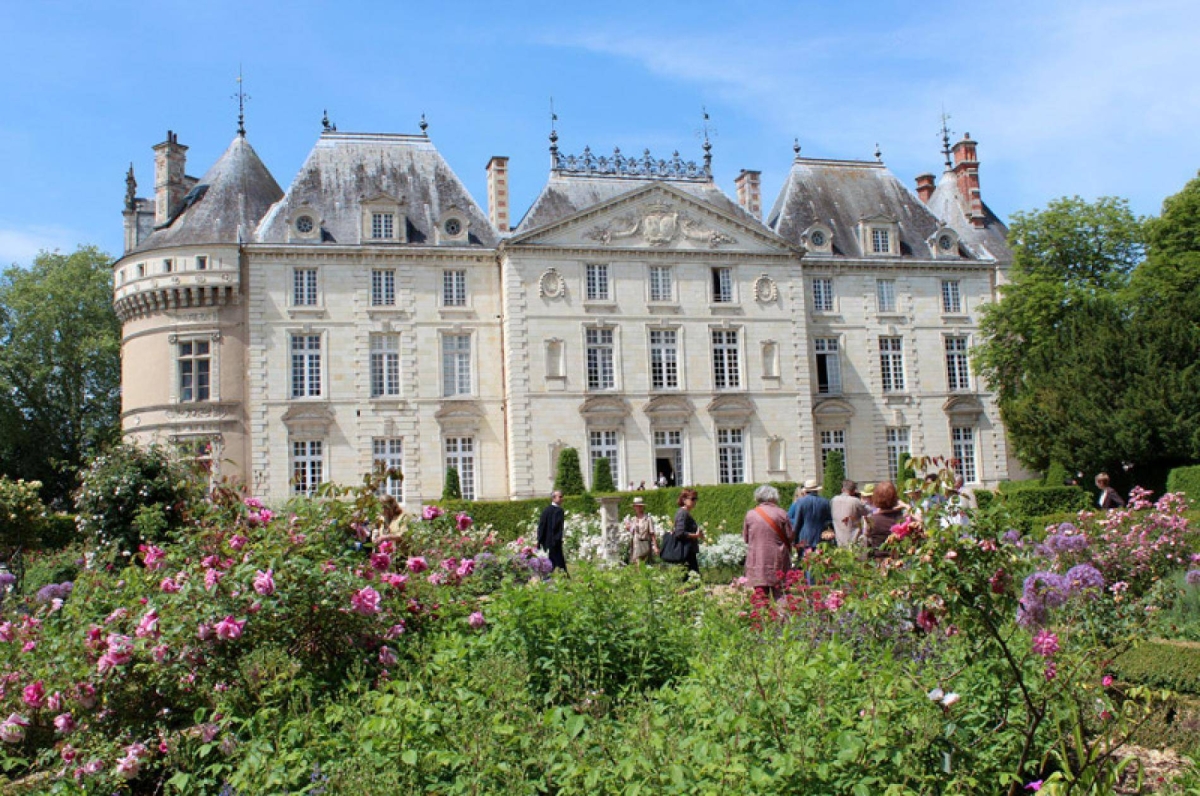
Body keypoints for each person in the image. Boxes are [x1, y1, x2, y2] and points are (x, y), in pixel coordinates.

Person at [743, 485, 794, 600]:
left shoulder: (750, 514)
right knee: (780, 593)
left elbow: (746, 538)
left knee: (760, 594)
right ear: (773, 497)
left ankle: (762, 612)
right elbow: (790, 536)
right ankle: (782, 612)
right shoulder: (781, 513)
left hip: (757, 560)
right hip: (778, 559)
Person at [787, 478, 833, 553]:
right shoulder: (825, 502)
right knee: (820, 558)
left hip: (804, 538)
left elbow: (797, 523)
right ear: (817, 490)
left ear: (805, 491)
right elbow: (829, 521)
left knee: (804, 558)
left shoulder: (801, 502)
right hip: (820, 537)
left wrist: (794, 540)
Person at [865, 481, 906, 556]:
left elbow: (867, 536)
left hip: (879, 559)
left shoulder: (872, 520)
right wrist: (906, 506)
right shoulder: (903, 518)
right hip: (900, 558)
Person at [671, 488, 704, 575]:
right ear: (684, 500)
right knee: (692, 578)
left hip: (688, 551)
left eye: (696, 498)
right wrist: (696, 535)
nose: (695, 501)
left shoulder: (685, 512)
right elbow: (679, 533)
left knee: (691, 578)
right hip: (685, 552)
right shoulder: (682, 513)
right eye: (692, 499)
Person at [830, 479, 870, 548]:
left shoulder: (833, 500)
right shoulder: (855, 501)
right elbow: (867, 512)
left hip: (839, 540)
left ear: (842, 489)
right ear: (854, 491)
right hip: (854, 540)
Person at [536, 490, 568, 573]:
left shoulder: (546, 510)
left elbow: (541, 526)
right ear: (553, 498)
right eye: (560, 497)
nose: (562, 499)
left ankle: (549, 577)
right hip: (554, 542)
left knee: (551, 562)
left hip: (547, 542)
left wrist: (539, 540)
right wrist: (557, 539)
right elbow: (557, 527)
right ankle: (563, 577)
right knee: (558, 562)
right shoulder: (559, 510)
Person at [625, 497, 658, 566]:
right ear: (634, 507)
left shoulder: (648, 519)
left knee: (645, 564)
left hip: (645, 544)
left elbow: (652, 533)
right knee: (636, 564)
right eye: (636, 506)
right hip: (636, 545)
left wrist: (655, 546)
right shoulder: (633, 519)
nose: (638, 508)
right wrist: (628, 528)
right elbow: (631, 531)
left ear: (643, 507)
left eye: (640, 506)